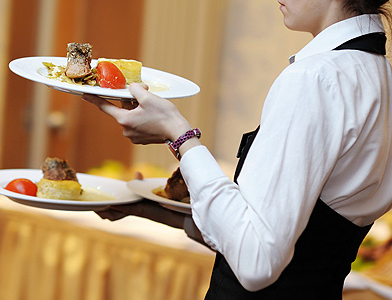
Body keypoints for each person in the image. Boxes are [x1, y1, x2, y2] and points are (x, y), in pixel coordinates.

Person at [82, 0, 392, 298]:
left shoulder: (316, 77)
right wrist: (148, 210)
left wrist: (179, 133)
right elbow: (299, 243)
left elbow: (257, 262)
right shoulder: (380, 76)